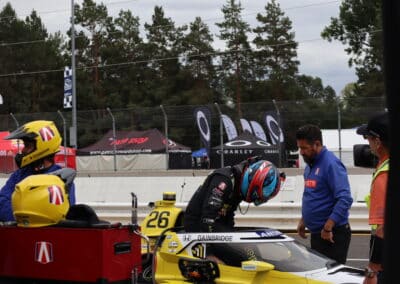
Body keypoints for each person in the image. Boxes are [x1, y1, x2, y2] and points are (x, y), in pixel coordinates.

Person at [296, 124, 353, 264]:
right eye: (299, 148)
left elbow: (345, 199)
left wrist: (328, 227)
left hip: (332, 234)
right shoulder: (310, 164)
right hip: (317, 233)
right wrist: (304, 220)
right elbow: (311, 194)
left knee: (331, 277)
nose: (301, 152)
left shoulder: (331, 164)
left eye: (304, 148)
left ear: (317, 144)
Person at [0, 120, 76, 222]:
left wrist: (21, 210)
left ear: (42, 146)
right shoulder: (19, 175)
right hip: (19, 232)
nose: (23, 150)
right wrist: (31, 214)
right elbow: (2, 202)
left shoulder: (61, 178)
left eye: (27, 146)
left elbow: (61, 214)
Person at [184, 157, 285, 233]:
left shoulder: (238, 183)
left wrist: (233, 236)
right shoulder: (225, 180)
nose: (254, 200)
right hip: (197, 229)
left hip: (217, 228)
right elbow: (207, 219)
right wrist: (209, 253)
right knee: (244, 254)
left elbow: (228, 215)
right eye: (256, 197)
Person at [357, 113, 389, 284]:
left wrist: (371, 271)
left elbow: (383, 228)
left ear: (378, 141)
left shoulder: (383, 174)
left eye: (367, 138)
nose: (367, 144)